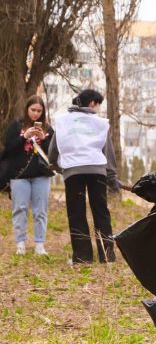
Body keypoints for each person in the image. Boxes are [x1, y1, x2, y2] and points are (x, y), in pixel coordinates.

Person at [48, 89, 121, 264]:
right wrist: (112, 177)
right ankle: (107, 255)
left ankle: (82, 257)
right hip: (97, 171)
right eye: (98, 105)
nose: (98, 109)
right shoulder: (100, 123)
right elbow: (108, 151)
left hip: (73, 171)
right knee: (101, 212)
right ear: (92, 103)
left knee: (76, 213)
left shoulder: (64, 121)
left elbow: (54, 148)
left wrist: (56, 165)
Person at [0, 95, 55, 255]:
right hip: (19, 175)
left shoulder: (48, 129)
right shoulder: (16, 126)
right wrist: (24, 137)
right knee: (20, 208)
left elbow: (53, 153)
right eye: (33, 110)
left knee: (40, 210)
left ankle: (39, 244)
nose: (36, 114)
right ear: (27, 109)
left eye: (39, 110)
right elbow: (8, 149)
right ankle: (20, 243)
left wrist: (43, 139)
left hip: (41, 175)